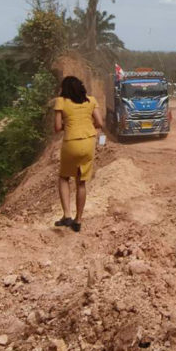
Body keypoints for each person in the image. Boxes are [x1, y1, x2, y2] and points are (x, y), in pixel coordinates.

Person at [53, 75, 104, 233]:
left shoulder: (61, 101)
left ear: (65, 88)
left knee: (64, 178)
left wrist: (68, 125)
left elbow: (56, 127)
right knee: (81, 182)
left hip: (71, 142)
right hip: (89, 142)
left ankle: (67, 215)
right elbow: (100, 123)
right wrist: (87, 125)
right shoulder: (91, 100)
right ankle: (78, 220)